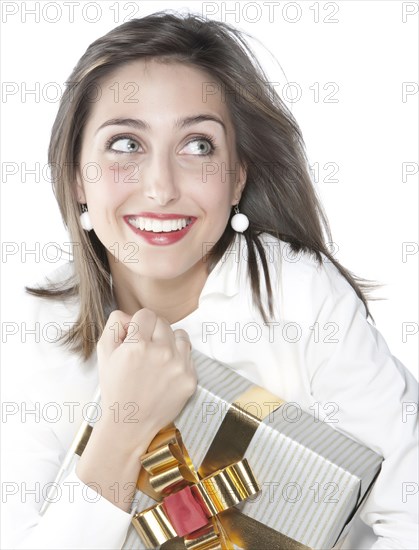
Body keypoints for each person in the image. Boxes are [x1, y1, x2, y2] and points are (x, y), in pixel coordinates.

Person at [2, 10, 418, 550]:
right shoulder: (30, 325)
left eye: (198, 145)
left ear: (238, 174)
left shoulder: (300, 295)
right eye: (126, 144)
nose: (161, 188)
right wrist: (123, 427)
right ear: (77, 174)